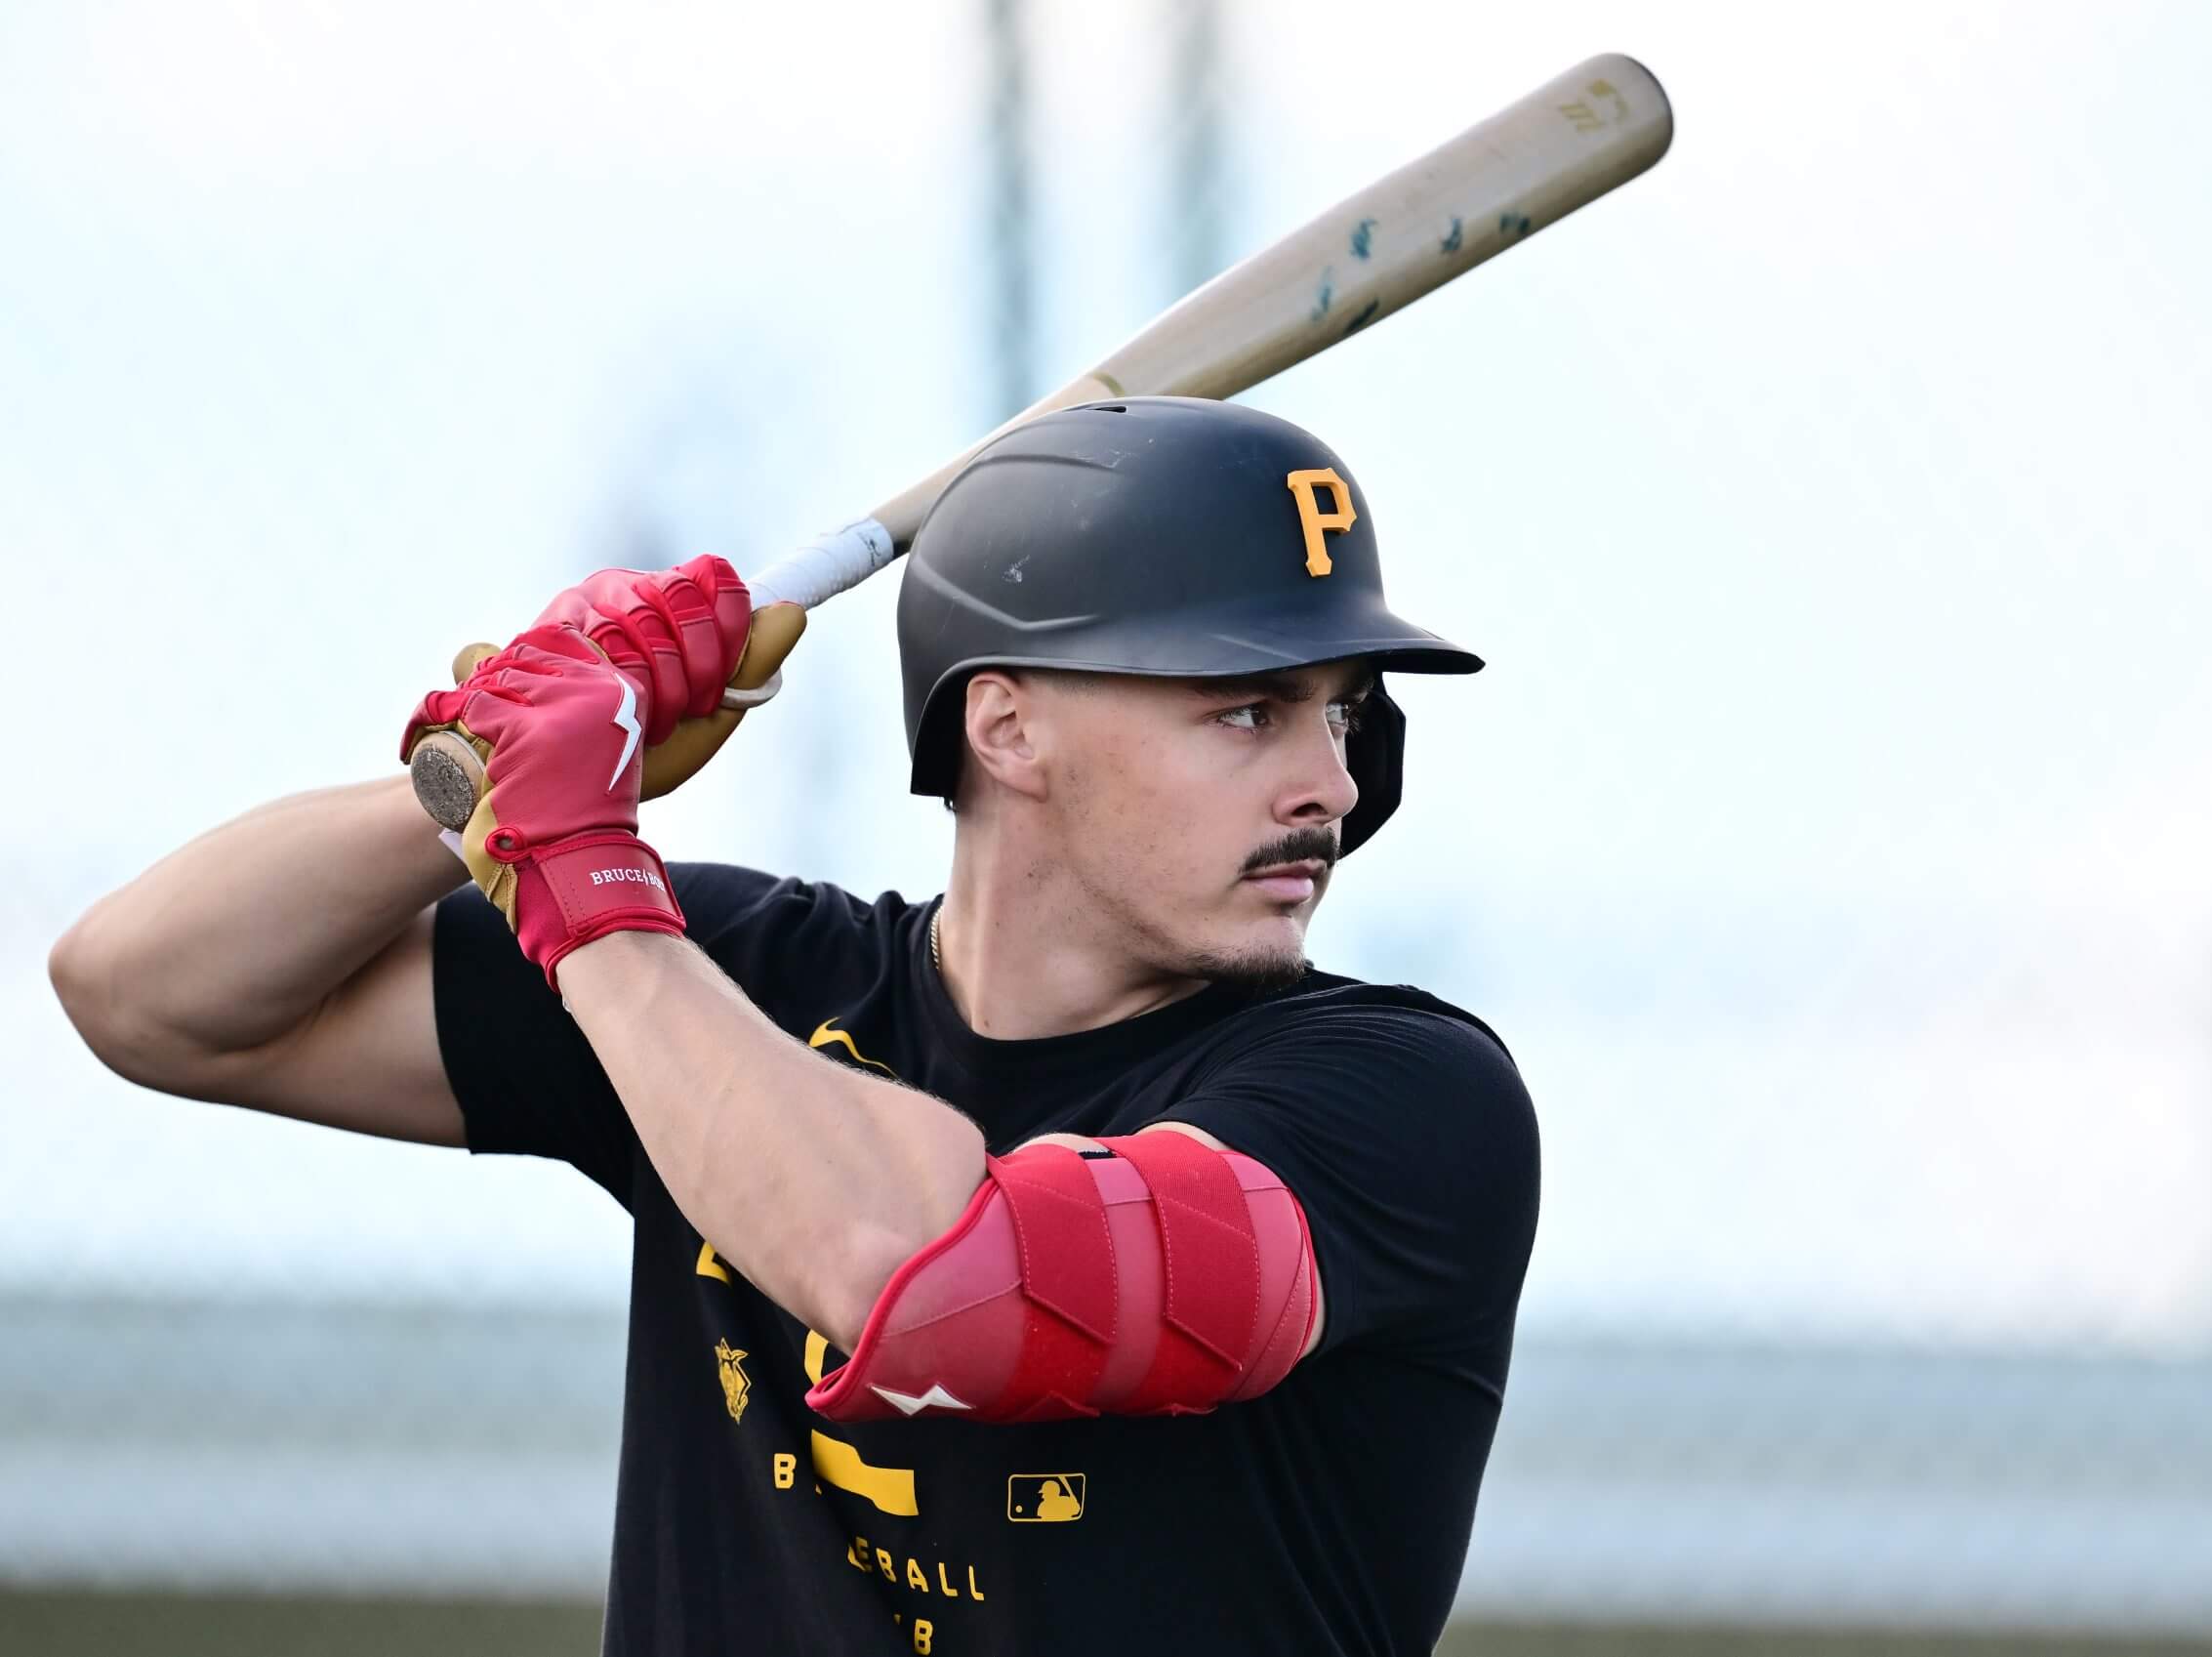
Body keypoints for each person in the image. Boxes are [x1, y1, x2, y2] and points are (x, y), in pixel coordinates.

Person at [51, 396, 1539, 1655]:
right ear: (1006, 726)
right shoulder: (730, 979)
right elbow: (144, 990)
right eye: (1248, 709)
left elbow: (933, 1276)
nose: (1329, 786)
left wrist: (579, 870)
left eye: (1342, 715)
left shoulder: (1403, 1102)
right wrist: (488, 779)